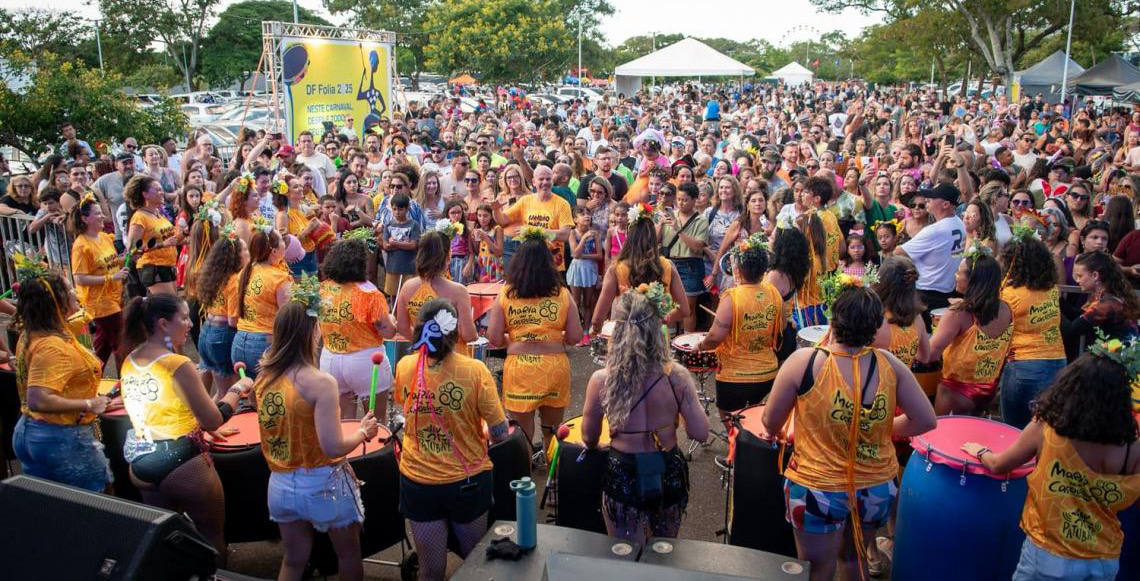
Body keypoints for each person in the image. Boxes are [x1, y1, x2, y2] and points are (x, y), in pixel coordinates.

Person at [762, 285, 936, 581]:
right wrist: (881, 427)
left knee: (818, 569)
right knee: (854, 560)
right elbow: (925, 420)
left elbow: (769, 421)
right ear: (874, 326)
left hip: (818, 486)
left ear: (834, 320)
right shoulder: (890, 364)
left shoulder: (804, 362)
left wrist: (781, 431)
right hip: (876, 487)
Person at [961, 343, 1140, 581]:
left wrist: (980, 450)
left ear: (1070, 385)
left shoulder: (1045, 428)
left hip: (1049, 555)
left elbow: (998, 465)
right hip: (1104, 559)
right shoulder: (1133, 446)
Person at [253, 293, 379, 581]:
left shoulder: (263, 377)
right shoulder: (321, 383)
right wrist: (362, 432)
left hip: (280, 485)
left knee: (294, 560)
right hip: (323, 484)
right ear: (312, 331)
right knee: (347, 554)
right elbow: (333, 445)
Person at [119, 293, 253, 561]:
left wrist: (204, 428)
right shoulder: (178, 364)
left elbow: (164, 409)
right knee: (211, 537)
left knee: (167, 538)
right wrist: (238, 389)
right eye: (183, 318)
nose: (190, 323)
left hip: (141, 463)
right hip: (181, 462)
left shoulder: (129, 359)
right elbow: (214, 417)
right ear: (163, 324)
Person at [393, 298, 510, 581]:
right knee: (475, 567)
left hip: (418, 482)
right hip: (465, 482)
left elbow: (405, 406)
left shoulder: (406, 365)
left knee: (431, 572)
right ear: (456, 331)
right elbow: (500, 432)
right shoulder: (475, 370)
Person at [581, 290, 709, 544]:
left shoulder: (602, 380)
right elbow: (701, 433)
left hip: (622, 471)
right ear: (657, 330)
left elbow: (588, 437)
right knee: (664, 552)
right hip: (667, 468)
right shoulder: (678, 377)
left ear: (617, 332)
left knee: (626, 557)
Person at [11, 270, 110, 492]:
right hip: (58, 437)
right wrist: (88, 404)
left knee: (52, 506)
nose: (74, 292)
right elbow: (38, 399)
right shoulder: (52, 347)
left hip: (33, 432)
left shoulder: (31, 333)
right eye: (68, 289)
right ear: (57, 302)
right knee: (88, 506)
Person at [486, 233, 583, 454]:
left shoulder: (506, 294)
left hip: (520, 370)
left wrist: (514, 340)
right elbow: (576, 337)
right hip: (554, 368)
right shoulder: (562, 294)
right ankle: (554, 481)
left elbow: (494, 338)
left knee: (522, 435)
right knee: (553, 432)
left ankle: (524, 482)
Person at [697, 233, 785, 431]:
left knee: (728, 415)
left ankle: (736, 451)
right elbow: (782, 327)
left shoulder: (732, 297)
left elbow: (714, 337)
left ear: (737, 269)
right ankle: (751, 447)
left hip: (735, 376)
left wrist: (700, 346)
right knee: (754, 416)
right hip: (768, 373)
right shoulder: (774, 293)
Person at [318, 239, 398, 420]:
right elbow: (388, 332)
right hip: (366, 361)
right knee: (375, 424)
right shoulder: (370, 294)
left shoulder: (322, 289)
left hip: (330, 360)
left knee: (345, 424)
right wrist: (392, 320)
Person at [926, 251, 1012, 415]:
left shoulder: (957, 313)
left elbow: (930, 355)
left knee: (943, 437)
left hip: (957, 390)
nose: (955, 275)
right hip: (989, 388)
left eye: (959, 271)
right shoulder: (1006, 308)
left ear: (973, 280)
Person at [998, 235, 1067, 429]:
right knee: (1045, 428)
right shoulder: (1052, 288)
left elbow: (996, 330)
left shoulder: (1009, 294)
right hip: (1058, 362)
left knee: (1015, 430)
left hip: (1024, 365)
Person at [590, 203, 688, 335]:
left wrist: (595, 330)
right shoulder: (668, 265)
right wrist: (659, 319)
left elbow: (598, 318)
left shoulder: (616, 269)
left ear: (629, 237)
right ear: (653, 238)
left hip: (625, 336)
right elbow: (684, 310)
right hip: (656, 336)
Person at [69, 194, 128, 368]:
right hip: (99, 303)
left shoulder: (103, 237)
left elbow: (111, 262)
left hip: (115, 296)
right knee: (121, 343)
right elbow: (79, 277)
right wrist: (111, 277)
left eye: (101, 212)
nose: (102, 216)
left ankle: (91, 375)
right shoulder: (80, 245)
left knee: (102, 346)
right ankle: (123, 385)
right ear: (85, 218)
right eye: (97, 213)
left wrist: (125, 258)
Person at [896, 183, 966, 327]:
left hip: (928, 293)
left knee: (927, 339)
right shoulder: (959, 222)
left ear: (945, 204)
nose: (928, 199)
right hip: (948, 290)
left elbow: (898, 253)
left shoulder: (935, 230)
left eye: (933, 197)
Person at [395, 231, 478, 351]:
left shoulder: (407, 287)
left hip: (422, 356)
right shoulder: (459, 291)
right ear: (448, 256)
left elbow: (402, 328)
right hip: (452, 357)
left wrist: (425, 342)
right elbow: (469, 335)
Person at [232, 229, 292, 378]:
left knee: (252, 395)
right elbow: (286, 319)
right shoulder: (280, 278)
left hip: (239, 343)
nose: (285, 244)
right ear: (274, 251)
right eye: (282, 241)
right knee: (270, 397)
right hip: (264, 345)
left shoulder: (245, 271)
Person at [492, 165, 573, 272]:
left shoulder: (562, 204)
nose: (545, 182)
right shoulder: (525, 201)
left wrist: (534, 231)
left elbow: (565, 235)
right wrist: (496, 210)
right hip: (529, 261)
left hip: (551, 263)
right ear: (534, 182)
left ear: (552, 181)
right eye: (541, 179)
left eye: (548, 179)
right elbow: (502, 220)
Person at [195, 233, 247, 397]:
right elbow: (233, 321)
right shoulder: (234, 280)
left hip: (207, 331)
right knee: (228, 395)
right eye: (245, 249)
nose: (248, 252)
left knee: (221, 392)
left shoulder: (215, 276)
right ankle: (210, 421)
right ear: (235, 256)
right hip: (222, 336)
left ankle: (205, 421)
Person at [659, 182, 709, 332]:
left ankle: (685, 344)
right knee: (668, 304)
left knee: (688, 308)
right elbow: (654, 240)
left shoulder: (701, 220)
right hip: (668, 262)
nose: (680, 203)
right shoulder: (668, 215)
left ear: (694, 200)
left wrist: (678, 230)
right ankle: (670, 341)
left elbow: (697, 246)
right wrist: (660, 224)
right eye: (678, 199)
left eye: (685, 199)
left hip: (690, 264)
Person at [124, 175, 180, 295]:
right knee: (169, 306)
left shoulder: (158, 213)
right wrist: (162, 245)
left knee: (171, 305)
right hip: (153, 267)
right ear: (146, 195)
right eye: (158, 190)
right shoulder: (139, 217)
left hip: (168, 265)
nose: (162, 193)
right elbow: (132, 248)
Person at [871, 256, 930, 368]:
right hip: (904, 383)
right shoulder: (917, 319)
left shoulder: (873, 320)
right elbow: (924, 357)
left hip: (877, 384)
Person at [273, 174, 320, 277]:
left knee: (314, 289)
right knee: (299, 292)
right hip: (296, 260)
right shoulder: (283, 215)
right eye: (295, 187)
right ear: (286, 193)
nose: (300, 188)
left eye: (300, 185)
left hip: (312, 254)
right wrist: (307, 230)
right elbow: (284, 244)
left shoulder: (305, 209)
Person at [379, 193, 421, 299]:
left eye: (400, 209)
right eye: (394, 209)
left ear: (407, 209)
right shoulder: (388, 225)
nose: (397, 212)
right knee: (394, 296)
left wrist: (395, 243)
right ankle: (395, 315)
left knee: (410, 296)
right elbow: (386, 246)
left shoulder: (414, 225)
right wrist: (404, 244)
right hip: (393, 267)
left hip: (410, 267)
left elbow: (413, 245)